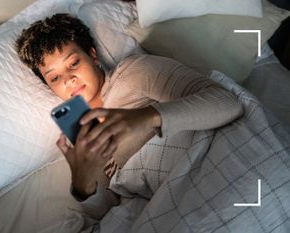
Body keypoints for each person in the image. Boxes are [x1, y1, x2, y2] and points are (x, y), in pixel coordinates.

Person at [16, 13, 243, 220]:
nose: (68, 79)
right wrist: (81, 183)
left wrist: (145, 118)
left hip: (213, 171)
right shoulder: (83, 140)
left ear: (93, 56)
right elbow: (107, 209)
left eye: (73, 63)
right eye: (54, 78)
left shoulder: (133, 73)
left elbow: (226, 102)